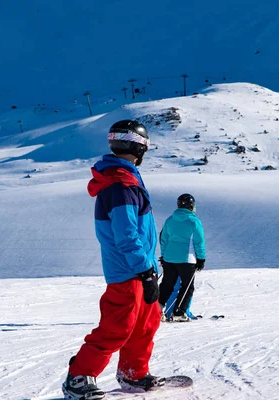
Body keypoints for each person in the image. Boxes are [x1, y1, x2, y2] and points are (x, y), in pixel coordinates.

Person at [62, 120, 165, 400]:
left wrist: (149, 268)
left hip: (140, 267)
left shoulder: (125, 179)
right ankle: (78, 378)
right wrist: (144, 270)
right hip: (128, 270)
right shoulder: (120, 184)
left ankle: (134, 372)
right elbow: (126, 234)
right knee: (117, 326)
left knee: (147, 322)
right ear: (139, 147)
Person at [158, 194, 206, 322]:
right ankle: (179, 312)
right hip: (187, 259)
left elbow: (164, 239)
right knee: (187, 287)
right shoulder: (194, 221)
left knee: (167, 285)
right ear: (191, 206)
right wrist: (201, 258)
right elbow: (199, 242)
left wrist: (163, 255)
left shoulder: (170, 220)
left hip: (169, 258)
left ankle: (156, 310)